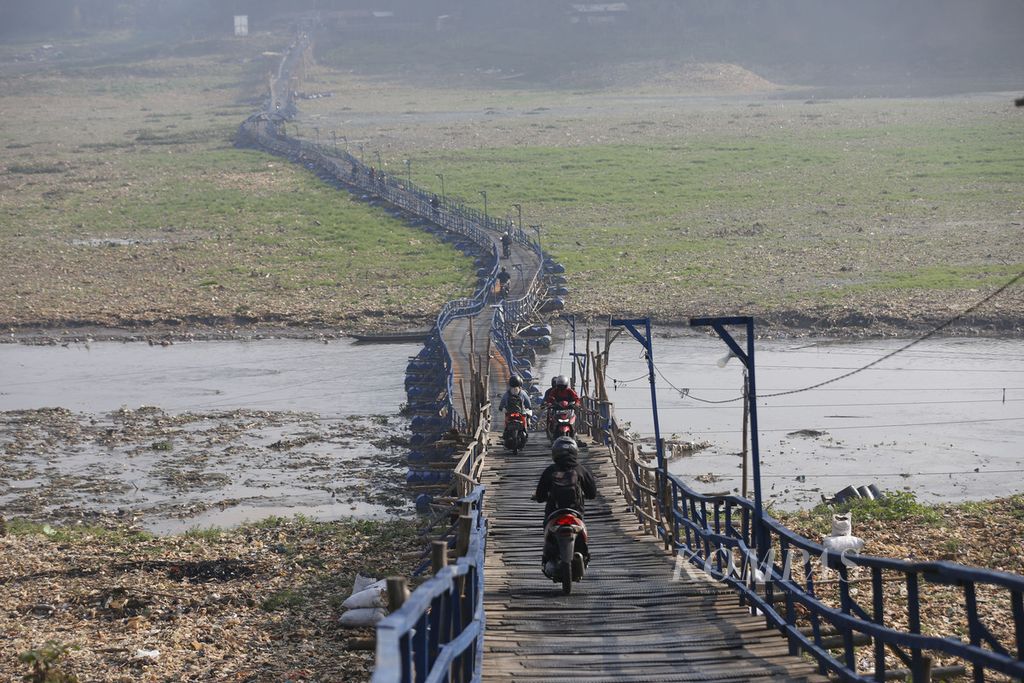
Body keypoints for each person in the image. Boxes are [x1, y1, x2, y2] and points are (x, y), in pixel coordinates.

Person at [533, 436, 597, 574]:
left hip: (554, 513)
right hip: (575, 513)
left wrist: (539, 498)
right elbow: (592, 493)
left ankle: (549, 558)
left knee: (547, 531)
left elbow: (540, 496)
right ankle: (583, 554)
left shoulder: (550, 471)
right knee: (582, 531)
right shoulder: (581, 470)